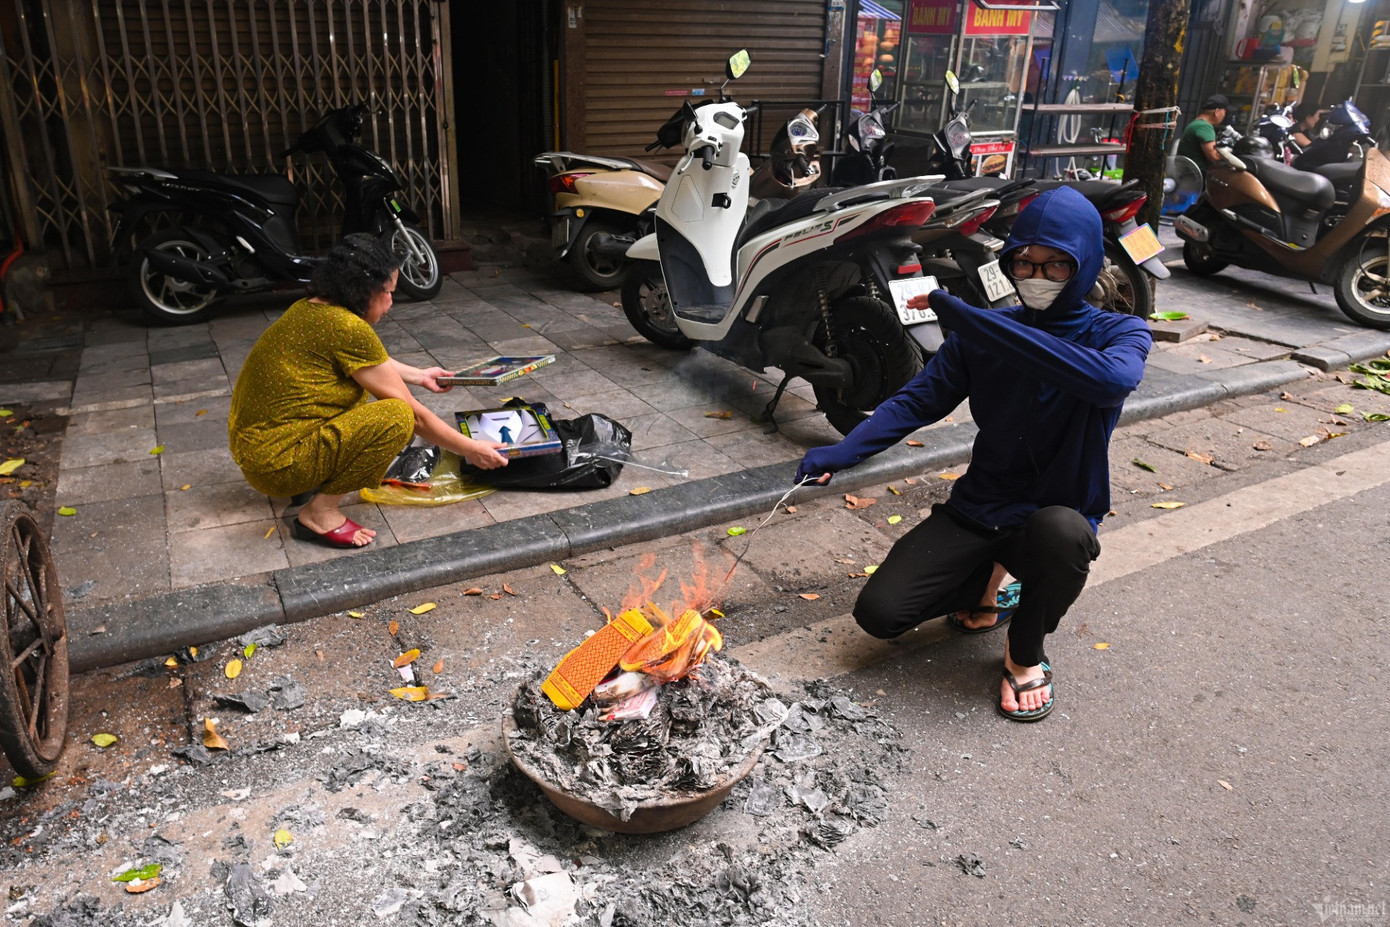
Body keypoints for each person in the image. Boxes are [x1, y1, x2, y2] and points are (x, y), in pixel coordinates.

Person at [794, 187, 1152, 722]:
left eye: (1056, 265)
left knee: (1062, 534)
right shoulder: (983, 333)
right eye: (1024, 263)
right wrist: (841, 453)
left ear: (1084, 265)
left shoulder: (1118, 332)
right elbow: (918, 400)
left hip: (1056, 515)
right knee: (881, 614)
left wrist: (973, 320)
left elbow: (1108, 381)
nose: (1037, 276)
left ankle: (1024, 655)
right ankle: (989, 592)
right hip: (982, 505)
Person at [228, 233, 509, 549]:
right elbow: (415, 416)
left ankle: (313, 476)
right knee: (396, 416)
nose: (391, 301)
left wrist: (420, 375)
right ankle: (320, 512)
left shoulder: (311, 308)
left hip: (261, 451)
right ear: (362, 289)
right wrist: (471, 449)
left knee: (359, 394)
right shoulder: (348, 328)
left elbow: (365, 362)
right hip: (279, 465)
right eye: (388, 292)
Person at [1176, 94, 1230, 171]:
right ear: (1217, 112)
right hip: (1193, 174)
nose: (1224, 115)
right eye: (1224, 112)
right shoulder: (1204, 127)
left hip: (1185, 171)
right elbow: (1214, 156)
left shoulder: (1196, 123)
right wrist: (1230, 152)